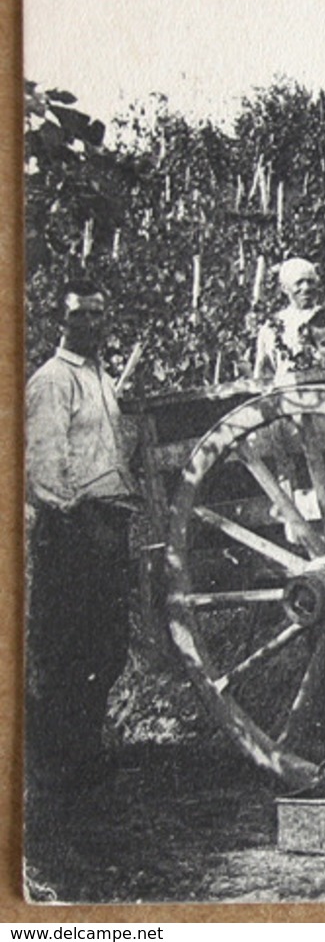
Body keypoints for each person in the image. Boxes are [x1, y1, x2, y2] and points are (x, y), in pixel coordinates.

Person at [25, 278, 141, 789]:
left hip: (106, 523)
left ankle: (83, 750)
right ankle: (57, 765)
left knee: (106, 646)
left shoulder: (99, 377)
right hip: (73, 526)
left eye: (99, 315)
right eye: (81, 316)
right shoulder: (53, 380)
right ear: (61, 322)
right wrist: (74, 517)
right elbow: (46, 463)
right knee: (68, 646)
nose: (92, 324)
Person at [251, 257, 325, 380]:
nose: (306, 288)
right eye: (299, 282)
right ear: (285, 288)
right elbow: (263, 375)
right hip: (288, 395)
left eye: (310, 281)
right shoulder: (271, 327)